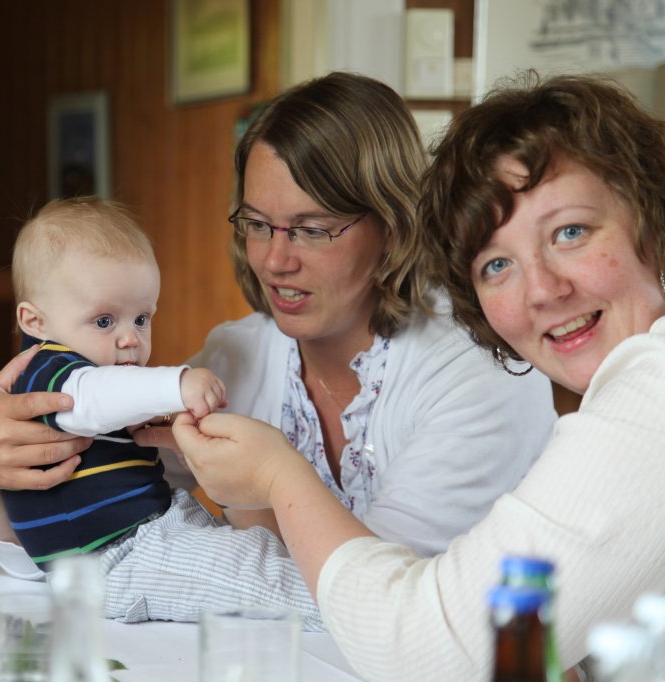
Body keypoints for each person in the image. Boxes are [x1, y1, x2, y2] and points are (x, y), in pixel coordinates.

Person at [0, 73, 556, 628]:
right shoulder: (234, 355)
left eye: (312, 229)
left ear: (393, 226)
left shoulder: (478, 369)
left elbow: (384, 605)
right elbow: (80, 538)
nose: (274, 259)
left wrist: (261, 490)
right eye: (258, 224)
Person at [174, 72, 665, 681]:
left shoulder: (651, 392)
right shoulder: (236, 350)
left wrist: (274, 478)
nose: (541, 290)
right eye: (496, 265)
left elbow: (426, 645)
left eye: (571, 232)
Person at [0, 196, 225, 571]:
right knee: (253, 575)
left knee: (257, 558)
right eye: (104, 321)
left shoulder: (100, 379)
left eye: (142, 319)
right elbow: (92, 397)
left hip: (145, 532)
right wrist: (176, 384)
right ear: (36, 322)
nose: (131, 338)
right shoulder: (46, 371)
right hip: (107, 556)